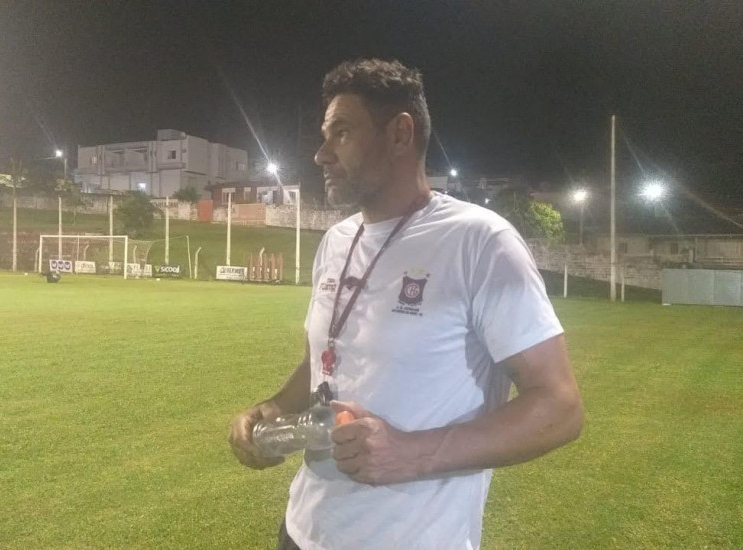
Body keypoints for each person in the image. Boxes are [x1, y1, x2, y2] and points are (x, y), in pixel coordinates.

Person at [229, 58, 583, 550]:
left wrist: (411, 454)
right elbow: (324, 360)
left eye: (342, 134)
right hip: (304, 530)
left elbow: (560, 407)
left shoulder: (479, 242)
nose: (320, 154)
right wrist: (273, 410)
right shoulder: (336, 240)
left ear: (399, 135)